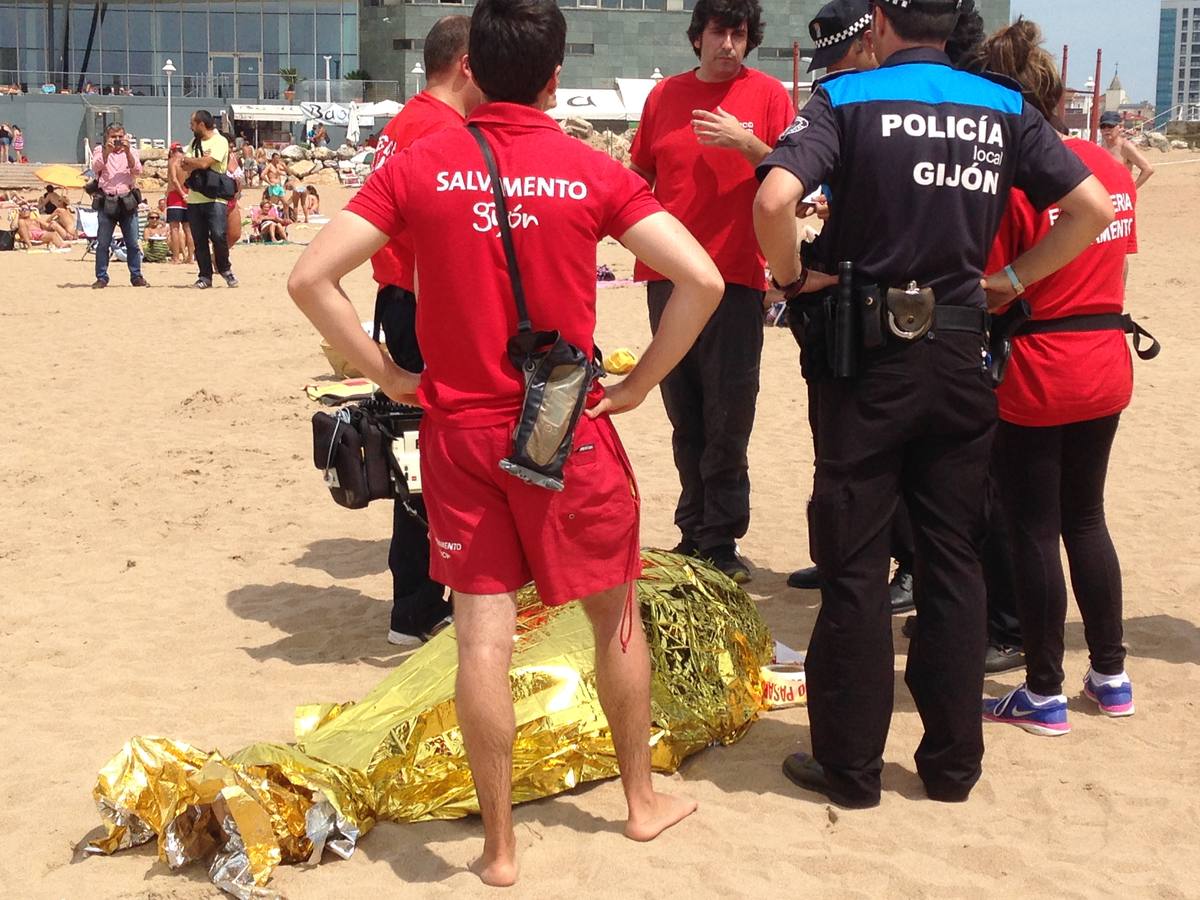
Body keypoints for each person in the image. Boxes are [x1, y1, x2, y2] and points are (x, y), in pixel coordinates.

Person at [289, 0, 722, 883]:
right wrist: (638, 386)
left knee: (482, 636)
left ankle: (498, 849)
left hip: (461, 427)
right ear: (556, 77)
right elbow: (703, 277)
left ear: (472, 68)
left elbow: (310, 277)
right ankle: (640, 804)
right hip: (563, 421)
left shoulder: (419, 165)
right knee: (616, 617)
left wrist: (388, 375)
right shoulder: (587, 168)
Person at [753, 0, 1114, 809]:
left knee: (854, 562)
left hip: (869, 361)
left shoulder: (848, 97)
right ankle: (952, 766)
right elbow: (1089, 208)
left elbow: (774, 201)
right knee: (952, 559)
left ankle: (849, 768)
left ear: (879, 19)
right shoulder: (1003, 104)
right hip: (958, 351)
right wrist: (1013, 281)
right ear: (953, 21)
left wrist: (786, 279)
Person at [977, 21, 1142, 735]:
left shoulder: (1021, 175)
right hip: (1107, 355)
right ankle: (1111, 674)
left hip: (1043, 365)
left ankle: (1043, 690)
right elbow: (1118, 258)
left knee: (1034, 530)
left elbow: (996, 287)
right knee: (1087, 518)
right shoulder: (1106, 167)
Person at [630, 0, 793, 583]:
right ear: (697, 37)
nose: (729, 43)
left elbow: (792, 178)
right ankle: (693, 528)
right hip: (668, 276)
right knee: (683, 410)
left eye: (740, 33)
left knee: (730, 413)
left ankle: (721, 539)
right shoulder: (663, 97)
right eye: (719, 32)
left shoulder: (770, 96)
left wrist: (746, 143)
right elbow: (640, 179)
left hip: (736, 278)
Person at [366, 14, 482, 645]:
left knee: (417, 447)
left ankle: (415, 597)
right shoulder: (442, 132)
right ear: (467, 64)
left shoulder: (403, 124)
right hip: (422, 302)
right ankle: (416, 603)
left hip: (397, 296)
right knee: (429, 452)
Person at [179, 110, 238, 289]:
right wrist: (198, 161)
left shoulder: (220, 141)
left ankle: (225, 269)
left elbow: (206, 163)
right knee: (199, 239)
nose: (190, 126)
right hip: (195, 198)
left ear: (201, 125)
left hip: (215, 198)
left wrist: (195, 161)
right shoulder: (194, 142)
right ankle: (205, 276)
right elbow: (183, 163)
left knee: (219, 235)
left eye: (193, 123)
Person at [91, 124, 149, 289]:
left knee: (132, 242)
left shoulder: (131, 151)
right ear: (107, 137)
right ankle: (101, 277)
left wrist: (128, 151)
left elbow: (137, 170)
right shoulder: (99, 151)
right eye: (113, 136)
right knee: (103, 242)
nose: (117, 140)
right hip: (107, 200)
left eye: (120, 136)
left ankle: (136, 276)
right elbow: (96, 167)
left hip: (127, 201)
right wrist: (107, 152)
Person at [1099, 111, 1154, 189]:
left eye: (1110, 126)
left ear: (1120, 127)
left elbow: (1148, 169)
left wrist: (1131, 190)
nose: (1106, 129)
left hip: (1121, 194)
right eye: (1103, 126)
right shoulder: (1101, 147)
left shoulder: (1125, 146)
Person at [166, 144, 194, 265]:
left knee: (175, 229)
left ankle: (176, 257)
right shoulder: (187, 161)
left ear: (172, 151)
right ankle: (190, 257)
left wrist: (182, 194)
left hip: (175, 196)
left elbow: (173, 179)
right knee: (188, 228)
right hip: (189, 195)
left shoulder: (173, 161)